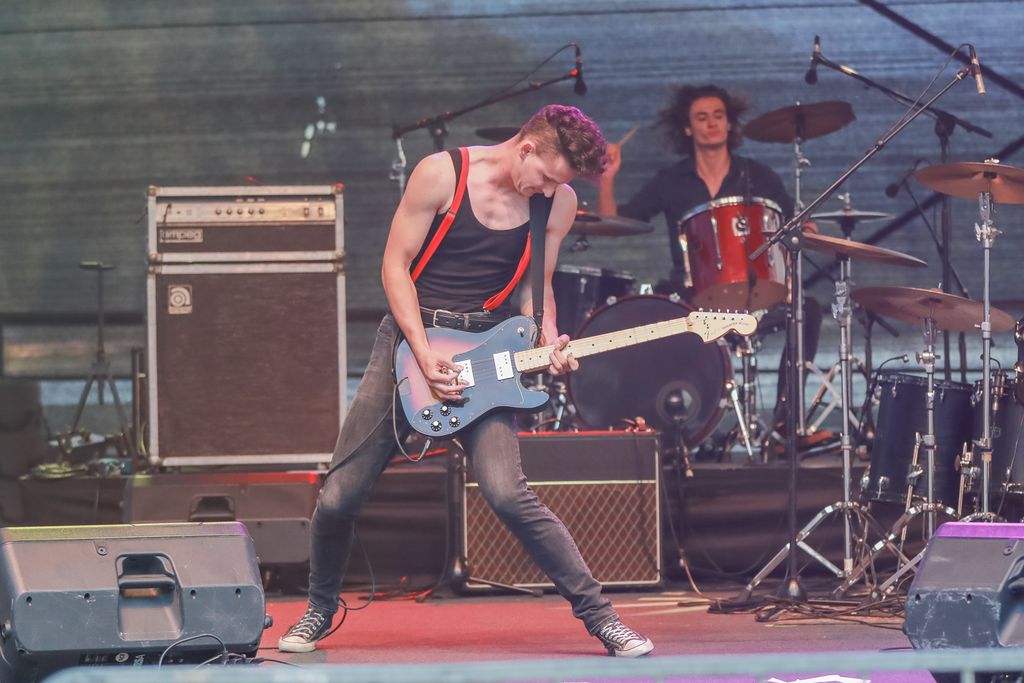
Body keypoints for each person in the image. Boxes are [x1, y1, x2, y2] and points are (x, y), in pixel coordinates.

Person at [278, 104, 654, 658]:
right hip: (409, 344)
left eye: (560, 184)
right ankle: (318, 609)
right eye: (547, 177)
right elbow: (394, 266)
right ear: (526, 147)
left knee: (508, 493)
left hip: (488, 353)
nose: (550, 190)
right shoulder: (441, 174)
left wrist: (549, 336)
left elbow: (537, 287)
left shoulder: (558, 202)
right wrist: (423, 351)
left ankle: (603, 620)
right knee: (338, 497)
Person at [597, 83, 824, 449]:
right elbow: (612, 225)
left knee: (806, 309)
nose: (712, 123)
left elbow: (795, 224)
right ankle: (671, 432)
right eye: (702, 118)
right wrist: (606, 177)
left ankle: (786, 422)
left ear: (729, 123)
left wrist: (803, 232)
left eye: (718, 116)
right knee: (648, 313)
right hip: (691, 298)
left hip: (753, 295)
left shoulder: (758, 176)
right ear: (688, 128)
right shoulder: (671, 180)